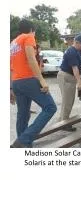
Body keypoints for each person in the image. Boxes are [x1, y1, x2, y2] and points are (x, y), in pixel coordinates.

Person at [10, 19, 57, 147]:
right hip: (28, 80)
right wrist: (42, 80)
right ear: (32, 30)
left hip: (16, 82)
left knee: (23, 114)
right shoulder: (29, 37)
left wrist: (10, 87)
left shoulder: (13, 43)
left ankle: (22, 146)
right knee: (50, 107)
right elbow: (31, 59)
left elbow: (10, 66)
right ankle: (23, 140)